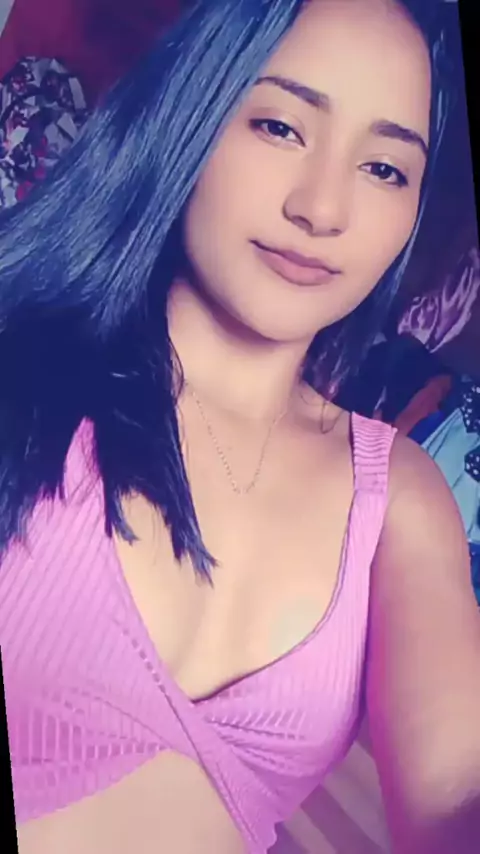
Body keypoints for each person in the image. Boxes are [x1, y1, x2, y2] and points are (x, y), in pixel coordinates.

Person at [0, 1, 479, 853]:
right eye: (280, 126)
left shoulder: (398, 497)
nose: (323, 208)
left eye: (384, 168)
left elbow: (457, 790)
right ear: (192, 112)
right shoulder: (24, 359)